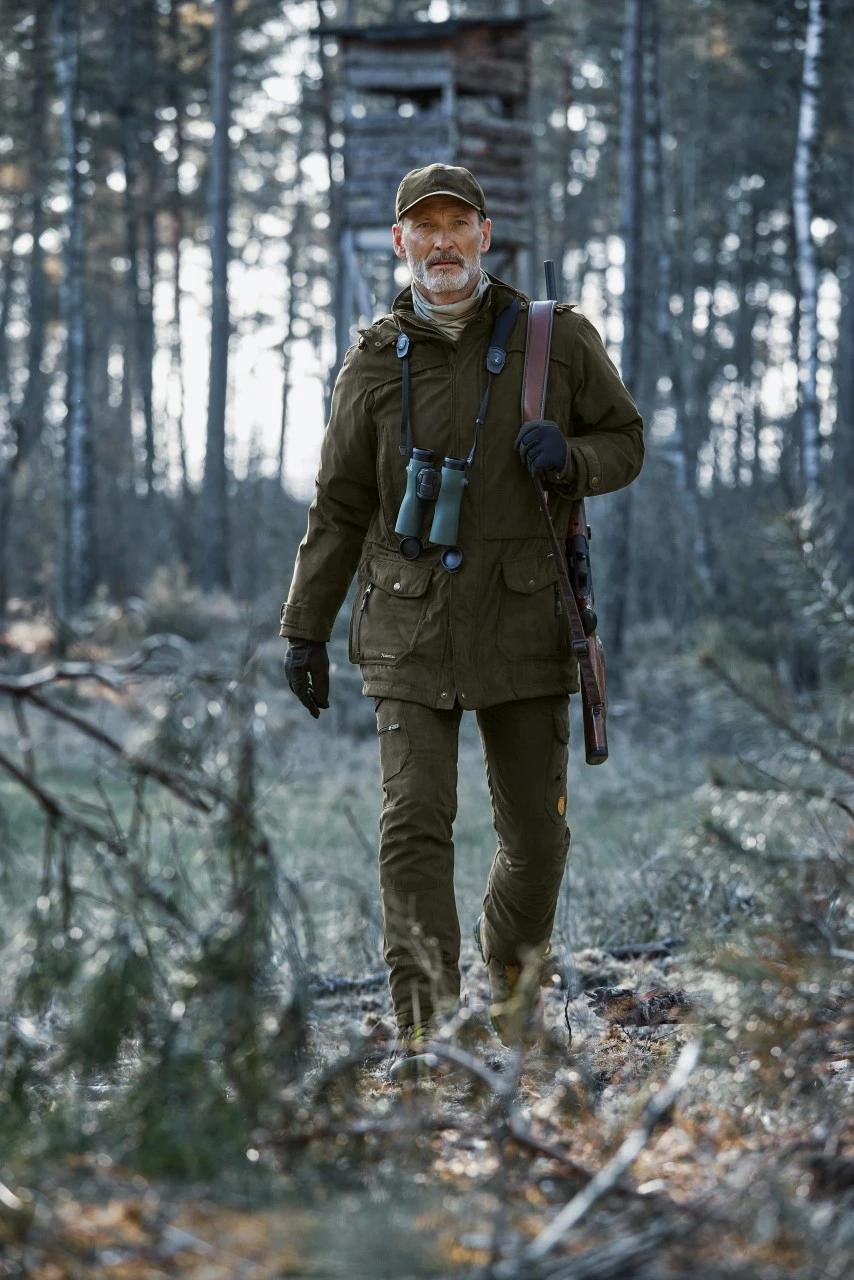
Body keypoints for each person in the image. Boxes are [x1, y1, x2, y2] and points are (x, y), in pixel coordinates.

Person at [280, 163, 644, 1054]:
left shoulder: (556, 341)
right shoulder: (369, 361)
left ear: (486, 235)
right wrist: (304, 628)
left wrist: (572, 459)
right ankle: (426, 1032)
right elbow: (338, 506)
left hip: (525, 618)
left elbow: (625, 440)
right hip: (408, 624)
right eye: (423, 228)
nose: (441, 242)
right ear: (400, 244)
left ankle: (513, 995)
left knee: (537, 839)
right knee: (413, 825)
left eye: (458, 224)